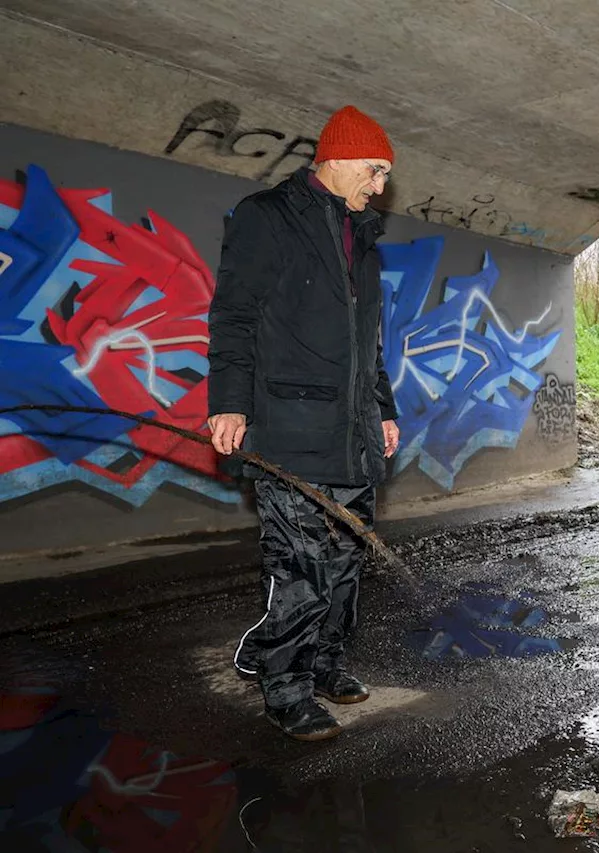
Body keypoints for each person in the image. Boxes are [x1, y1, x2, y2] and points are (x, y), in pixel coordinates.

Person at [206, 105, 401, 742]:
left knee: (346, 559)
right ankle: (283, 685)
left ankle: (323, 664)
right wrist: (230, 402)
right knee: (299, 566)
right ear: (338, 157)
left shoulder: (365, 243)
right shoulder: (267, 218)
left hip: (354, 433)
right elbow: (233, 318)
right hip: (288, 430)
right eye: (375, 171)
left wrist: (385, 410)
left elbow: (368, 342)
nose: (380, 186)